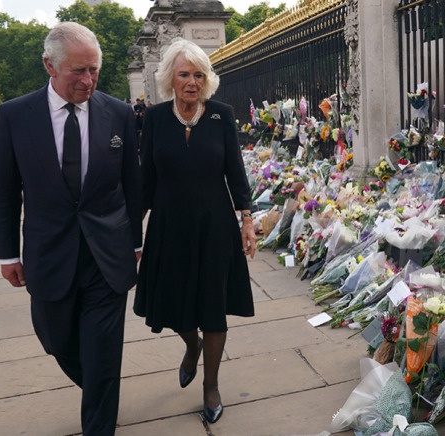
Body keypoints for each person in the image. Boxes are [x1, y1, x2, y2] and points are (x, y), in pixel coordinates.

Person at [0, 22, 142, 436]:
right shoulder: (15, 115)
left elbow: (133, 185)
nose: (89, 80)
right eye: (78, 71)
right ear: (49, 66)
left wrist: (135, 242)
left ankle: (99, 419)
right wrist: (8, 254)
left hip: (107, 256)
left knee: (103, 354)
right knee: (56, 340)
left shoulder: (120, 114)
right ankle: (100, 389)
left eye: (94, 69)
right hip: (48, 253)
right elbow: (4, 191)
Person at [134, 38, 256, 425]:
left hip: (215, 225)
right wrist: (132, 230)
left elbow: (235, 171)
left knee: (213, 307)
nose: (191, 81)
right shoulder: (153, 118)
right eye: (184, 74)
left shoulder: (221, 115)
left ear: (207, 79)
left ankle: (211, 385)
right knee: (175, 305)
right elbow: (146, 178)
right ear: (170, 77)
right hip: (169, 226)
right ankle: (191, 346)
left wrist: (248, 219)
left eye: (198, 75)